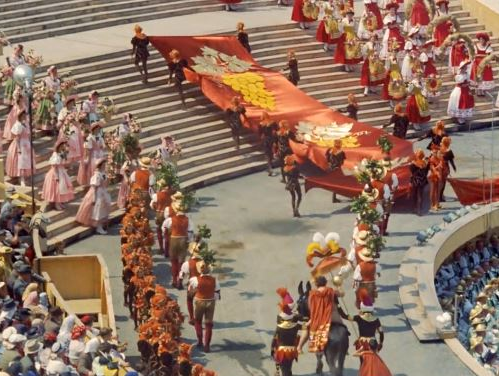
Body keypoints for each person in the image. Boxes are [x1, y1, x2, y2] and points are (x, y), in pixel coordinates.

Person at [188, 261, 220, 353]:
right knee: (208, 324)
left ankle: (200, 341)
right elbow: (217, 294)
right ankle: (207, 345)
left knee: (197, 321)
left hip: (199, 301)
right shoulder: (215, 280)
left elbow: (190, 292)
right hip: (210, 301)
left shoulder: (194, 279)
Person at [163, 197, 194, 289]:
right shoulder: (188, 220)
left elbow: (164, 228)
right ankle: (179, 281)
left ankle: (174, 280)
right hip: (183, 240)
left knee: (173, 262)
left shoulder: (170, 220)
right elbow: (190, 232)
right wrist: (189, 241)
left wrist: (167, 236)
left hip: (173, 240)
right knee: (181, 262)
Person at [75, 158, 112, 235]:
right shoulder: (97, 175)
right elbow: (95, 187)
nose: (105, 166)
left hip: (103, 192)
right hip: (97, 193)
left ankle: (100, 225)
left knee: (103, 208)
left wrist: (108, 178)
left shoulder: (103, 173)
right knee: (98, 209)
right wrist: (94, 198)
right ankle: (98, 227)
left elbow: (106, 184)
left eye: (105, 164)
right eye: (104, 165)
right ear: (100, 166)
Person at [42, 140, 75, 211]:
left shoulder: (61, 154)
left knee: (62, 188)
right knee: (57, 188)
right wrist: (56, 176)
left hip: (61, 171)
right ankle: (56, 203)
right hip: (56, 173)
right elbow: (54, 167)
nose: (63, 147)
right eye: (62, 146)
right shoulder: (55, 155)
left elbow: (63, 162)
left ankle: (59, 202)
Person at [5, 110, 36, 187]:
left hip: (26, 144)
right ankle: (21, 179)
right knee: (20, 162)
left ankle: (25, 177)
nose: (25, 116)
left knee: (26, 161)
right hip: (20, 144)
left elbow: (28, 134)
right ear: (20, 116)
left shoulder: (25, 123)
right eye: (23, 115)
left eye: (25, 115)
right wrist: (18, 148)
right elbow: (17, 138)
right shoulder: (18, 125)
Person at [271, 298, 301, 376]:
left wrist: (272, 349)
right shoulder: (296, 326)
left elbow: (274, 340)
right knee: (288, 368)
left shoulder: (279, 327)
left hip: (282, 351)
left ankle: (278, 371)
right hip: (292, 351)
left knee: (284, 370)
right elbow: (305, 326)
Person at [179, 236, 202, 325]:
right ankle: (197, 317)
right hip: (202, 284)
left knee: (189, 300)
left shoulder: (187, 263)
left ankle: (192, 317)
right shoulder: (204, 262)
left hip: (192, 285)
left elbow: (182, 274)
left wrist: (180, 282)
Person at [78, 122, 106, 186]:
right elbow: (88, 148)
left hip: (100, 153)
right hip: (93, 154)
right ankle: (93, 181)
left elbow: (102, 145)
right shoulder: (90, 138)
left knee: (102, 164)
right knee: (94, 166)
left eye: (99, 129)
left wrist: (102, 146)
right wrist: (87, 157)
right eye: (97, 129)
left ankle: (100, 180)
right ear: (93, 129)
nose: (98, 130)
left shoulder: (99, 136)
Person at [334, 8, 363, 72]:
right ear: (346, 15)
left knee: (352, 51)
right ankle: (346, 65)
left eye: (350, 14)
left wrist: (356, 37)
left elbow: (356, 29)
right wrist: (339, 24)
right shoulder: (343, 21)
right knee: (347, 52)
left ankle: (351, 64)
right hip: (345, 36)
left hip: (352, 36)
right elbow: (340, 29)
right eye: (348, 14)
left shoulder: (354, 21)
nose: (349, 16)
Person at [150, 179, 173, 256]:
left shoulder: (157, 195)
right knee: (167, 233)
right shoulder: (171, 194)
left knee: (159, 231)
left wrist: (155, 209)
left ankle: (161, 248)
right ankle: (168, 250)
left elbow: (152, 205)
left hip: (159, 214)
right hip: (168, 215)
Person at [447, 60, 475, 125]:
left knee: (466, 102)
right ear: (462, 68)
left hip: (466, 90)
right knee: (460, 102)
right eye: (465, 67)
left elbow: (468, 81)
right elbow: (461, 84)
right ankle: (459, 118)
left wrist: (473, 83)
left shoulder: (466, 74)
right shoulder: (458, 76)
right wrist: (467, 83)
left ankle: (463, 117)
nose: (466, 68)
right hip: (460, 91)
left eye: (466, 67)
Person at [410, 149, 428, 216]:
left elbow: (412, 173)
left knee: (414, 195)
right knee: (420, 195)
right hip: (422, 180)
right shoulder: (424, 163)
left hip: (415, 181)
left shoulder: (413, 163)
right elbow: (426, 172)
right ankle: (419, 210)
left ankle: (415, 208)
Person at [259, 111, 278, 176]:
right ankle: (270, 168)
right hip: (272, 139)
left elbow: (260, 134)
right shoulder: (273, 123)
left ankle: (270, 169)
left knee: (267, 155)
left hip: (265, 140)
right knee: (270, 154)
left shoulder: (261, 124)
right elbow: (276, 131)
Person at [439, 136, 456, 202]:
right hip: (445, 167)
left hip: (439, 167)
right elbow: (451, 161)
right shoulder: (449, 151)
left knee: (440, 182)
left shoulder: (439, 149)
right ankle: (440, 196)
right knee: (443, 183)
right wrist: (454, 167)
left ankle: (439, 195)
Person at [428, 144, 443, 212]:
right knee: (433, 191)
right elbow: (432, 168)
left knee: (437, 191)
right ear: (431, 152)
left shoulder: (437, 158)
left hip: (437, 176)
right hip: (433, 176)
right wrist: (438, 166)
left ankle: (437, 204)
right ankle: (432, 205)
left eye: (436, 152)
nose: (435, 153)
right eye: (434, 152)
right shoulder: (431, 159)